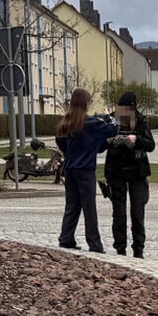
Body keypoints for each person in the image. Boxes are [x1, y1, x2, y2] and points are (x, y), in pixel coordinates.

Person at [56, 88, 117, 252]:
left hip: (70, 169)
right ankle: (94, 243)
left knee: (72, 205)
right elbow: (113, 129)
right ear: (86, 104)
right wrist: (108, 116)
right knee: (89, 207)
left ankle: (66, 238)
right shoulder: (90, 123)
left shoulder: (65, 124)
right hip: (85, 170)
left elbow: (61, 144)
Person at [104, 90, 155, 258]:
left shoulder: (140, 120)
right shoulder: (112, 119)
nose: (125, 113)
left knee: (137, 213)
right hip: (117, 171)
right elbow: (101, 144)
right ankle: (120, 249)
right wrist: (111, 140)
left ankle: (138, 250)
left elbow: (150, 144)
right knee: (119, 214)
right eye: (122, 109)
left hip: (137, 172)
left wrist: (136, 139)